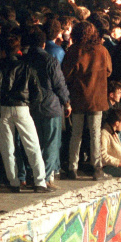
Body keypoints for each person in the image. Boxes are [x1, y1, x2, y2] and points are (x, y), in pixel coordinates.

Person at [0, 34, 53, 193]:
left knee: (7, 147)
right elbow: (37, 93)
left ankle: (14, 182)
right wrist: (30, 106)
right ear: (18, 49)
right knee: (32, 145)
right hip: (22, 107)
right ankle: (40, 182)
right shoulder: (27, 67)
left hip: (4, 108)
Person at [62, 21, 112, 181]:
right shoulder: (102, 51)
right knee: (95, 134)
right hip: (97, 98)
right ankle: (97, 168)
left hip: (78, 97)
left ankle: (72, 167)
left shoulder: (74, 50)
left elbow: (66, 73)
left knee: (76, 134)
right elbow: (109, 71)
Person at [24, 27, 71, 190]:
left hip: (31, 107)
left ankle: (33, 175)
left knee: (34, 144)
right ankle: (44, 178)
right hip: (50, 106)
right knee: (51, 143)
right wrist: (66, 102)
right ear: (44, 43)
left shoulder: (25, 60)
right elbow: (59, 84)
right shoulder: (50, 60)